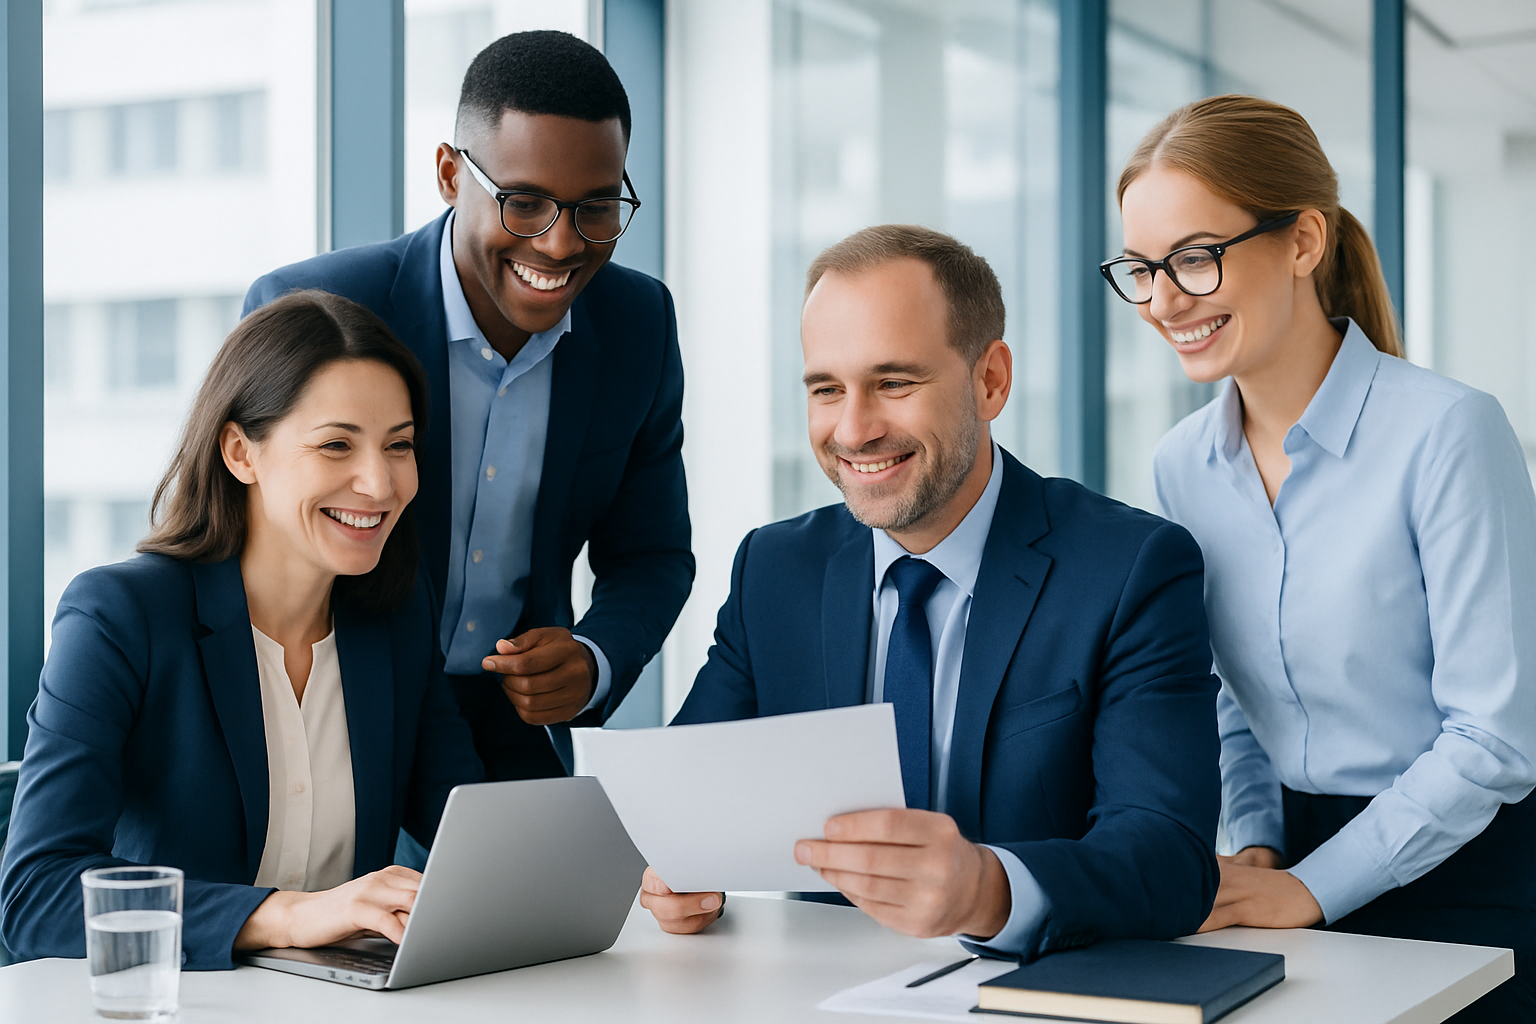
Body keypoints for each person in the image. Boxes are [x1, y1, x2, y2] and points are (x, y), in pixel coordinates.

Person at [639, 226, 1220, 959]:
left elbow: (1170, 860)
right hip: (818, 997)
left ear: (991, 382)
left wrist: (989, 888)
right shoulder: (775, 568)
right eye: (827, 390)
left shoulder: (1131, 567)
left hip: (1033, 998)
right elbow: (682, 798)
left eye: (894, 383)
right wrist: (676, 867)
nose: (854, 429)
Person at [1108, 94, 1536, 1020]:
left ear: (1303, 241)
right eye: (1141, 268)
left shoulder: (1449, 432)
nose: (1163, 300)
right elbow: (1224, 691)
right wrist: (1260, 843)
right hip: (1291, 871)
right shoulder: (1183, 465)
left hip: (1468, 871)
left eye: (1193, 257)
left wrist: (1314, 887)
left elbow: (1494, 740)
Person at [243, 31, 691, 783]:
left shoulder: (639, 325)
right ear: (451, 175)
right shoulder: (315, 310)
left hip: (509, 724)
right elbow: (238, 553)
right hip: (334, 711)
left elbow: (650, 553)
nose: (559, 245)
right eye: (524, 204)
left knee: (562, 901)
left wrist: (593, 655)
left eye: (596, 208)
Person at [0, 291, 484, 969]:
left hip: (345, 1008)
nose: (378, 483)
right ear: (239, 452)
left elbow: (475, 835)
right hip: (177, 1006)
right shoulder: (120, 616)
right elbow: (33, 896)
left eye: (398, 446)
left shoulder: (395, 616)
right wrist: (288, 913)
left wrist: (638, 873)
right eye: (336, 444)